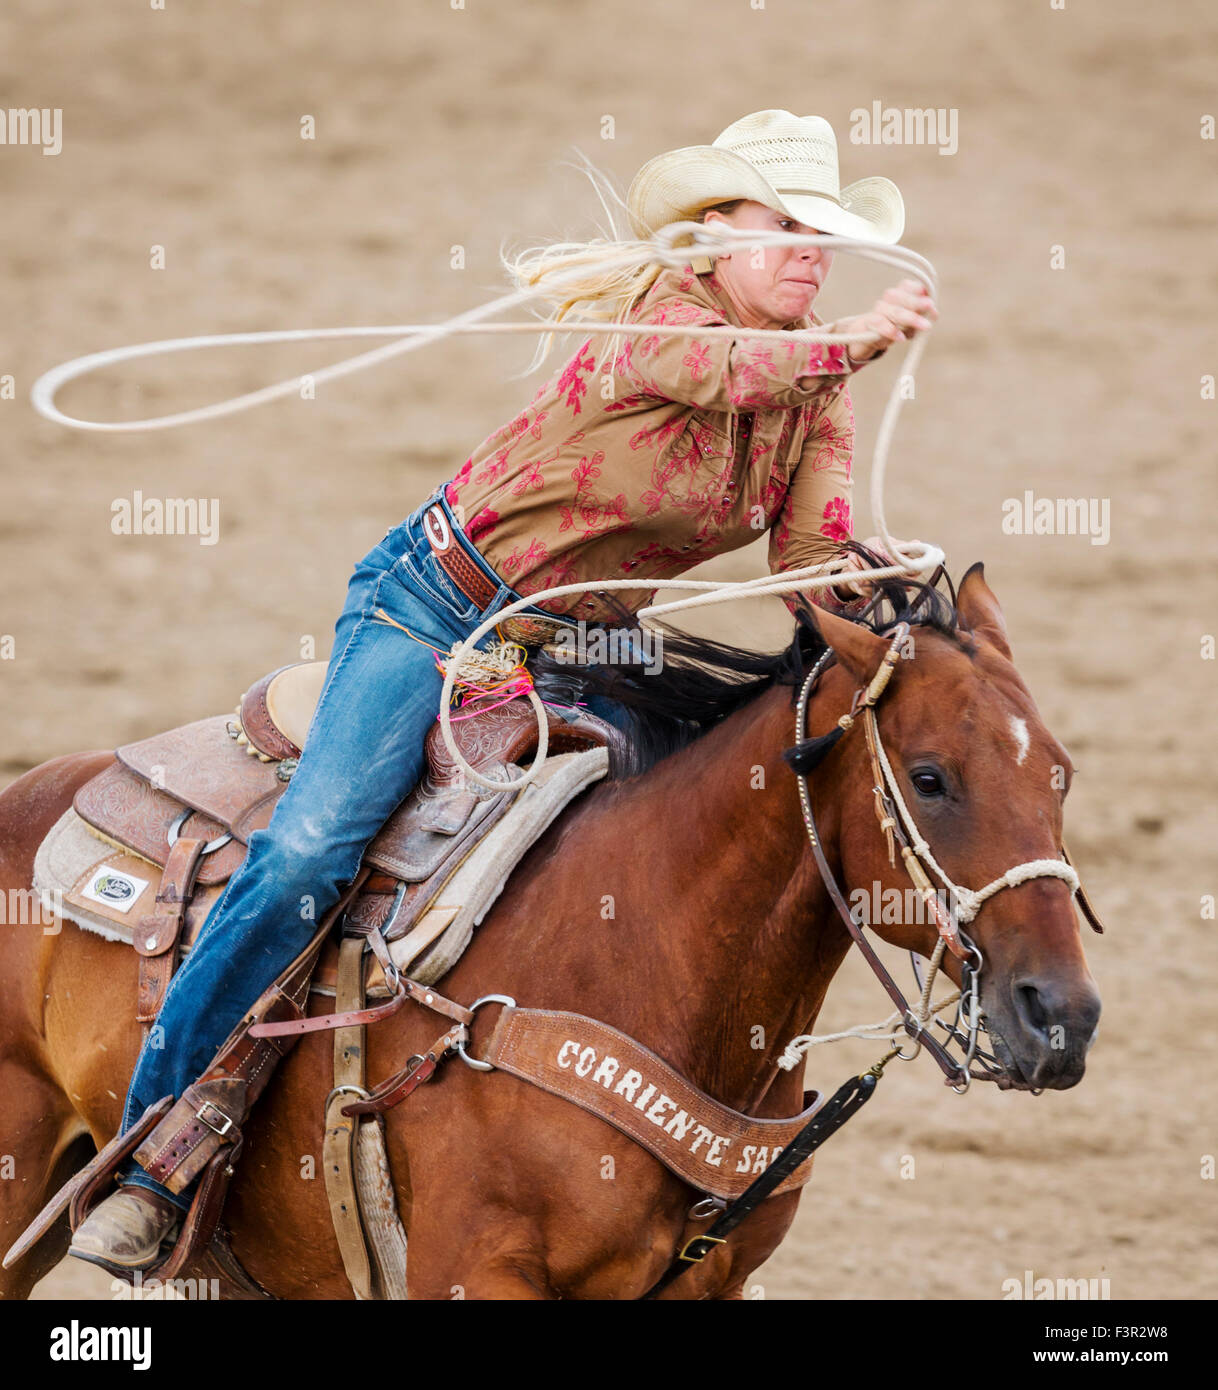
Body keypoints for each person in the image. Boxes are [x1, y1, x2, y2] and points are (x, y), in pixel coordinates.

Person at [69, 107, 937, 1270]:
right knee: (311, 849)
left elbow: (806, 565)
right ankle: (158, 1145)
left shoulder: (812, 394)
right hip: (428, 611)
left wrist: (882, 598)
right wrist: (860, 339)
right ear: (707, 243)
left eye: (822, 234)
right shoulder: (661, 323)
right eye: (782, 225)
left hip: (576, 650)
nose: (810, 252)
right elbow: (721, 370)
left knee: (648, 849)